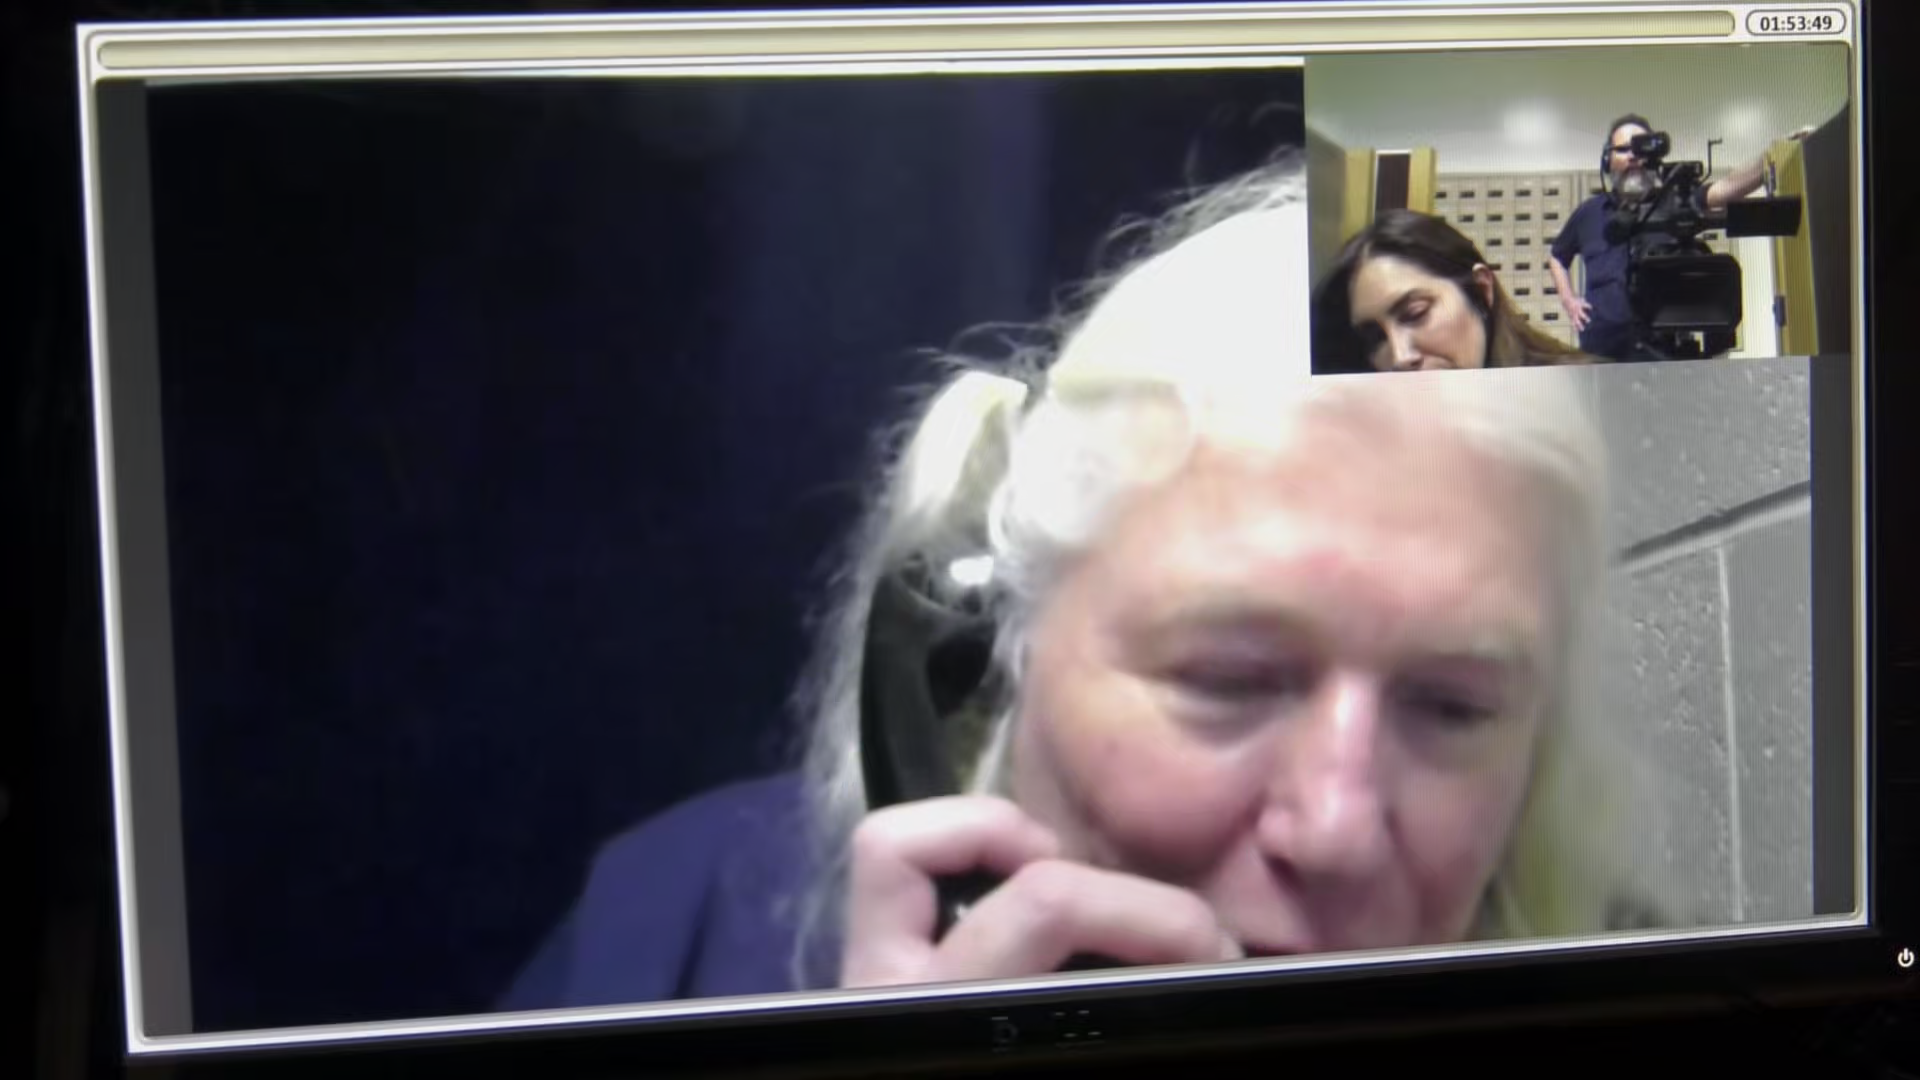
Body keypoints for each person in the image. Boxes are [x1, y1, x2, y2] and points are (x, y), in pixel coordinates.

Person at [498, 159, 1666, 1012]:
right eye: (1229, 678)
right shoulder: (667, 935)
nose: (1337, 831)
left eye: (1453, 707)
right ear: (984, 653)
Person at [1548, 113, 1812, 361]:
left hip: (1665, 355)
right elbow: (1557, 256)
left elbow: (1728, 188)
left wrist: (1774, 154)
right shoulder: (1588, 213)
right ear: (1608, 159)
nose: (1633, 157)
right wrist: (1569, 301)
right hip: (1601, 355)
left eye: (1640, 149)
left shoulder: (1677, 202)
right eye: (1624, 149)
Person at [1312, 209, 1591, 373]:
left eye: (1416, 313)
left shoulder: (1590, 391)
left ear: (1481, 291)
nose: (1400, 357)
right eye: (1375, 338)